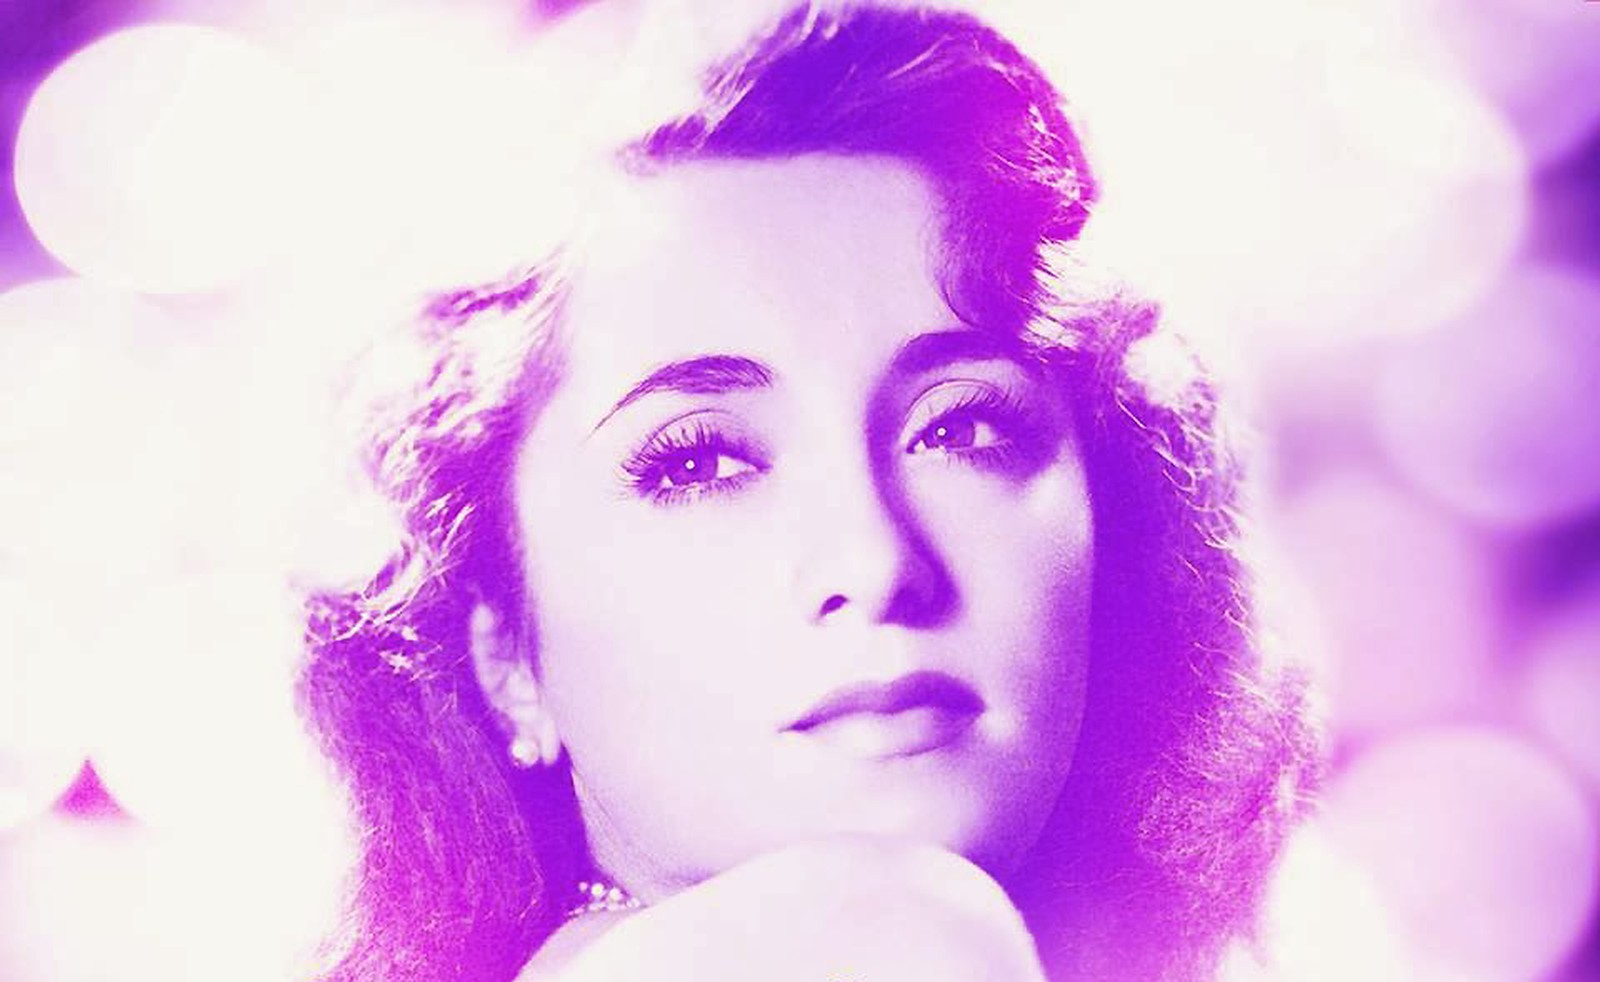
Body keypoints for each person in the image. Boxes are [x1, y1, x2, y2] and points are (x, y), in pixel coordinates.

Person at [298, 3, 1317, 980]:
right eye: (698, 461)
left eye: (960, 429)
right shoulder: (904, 937)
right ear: (507, 657)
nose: (875, 562)